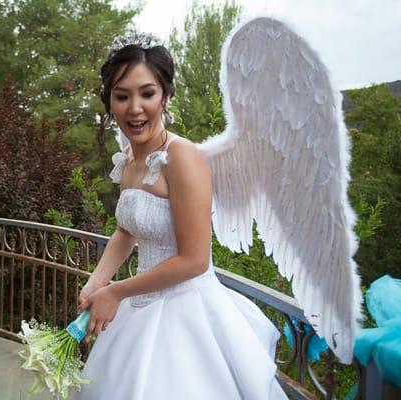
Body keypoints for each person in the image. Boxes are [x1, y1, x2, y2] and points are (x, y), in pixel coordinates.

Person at [71, 33, 288, 400]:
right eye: (122, 96)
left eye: (147, 93)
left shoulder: (182, 156)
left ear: (165, 97)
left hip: (187, 315)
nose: (134, 108)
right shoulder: (129, 158)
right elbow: (127, 230)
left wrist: (116, 291)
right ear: (109, 102)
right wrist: (98, 280)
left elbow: (194, 259)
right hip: (139, 307)